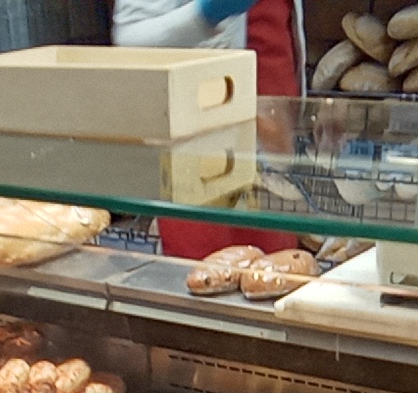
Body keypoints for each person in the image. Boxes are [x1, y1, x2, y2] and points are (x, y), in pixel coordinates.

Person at [112, 0, 303, 260]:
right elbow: (129, 39)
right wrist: (205, 14)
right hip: (197, 159)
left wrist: (305, 115)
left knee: (276, 277)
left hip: (273, 163)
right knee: (199, 275)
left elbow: (278, 36)